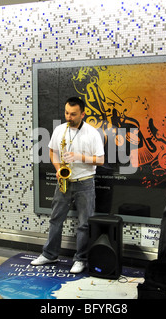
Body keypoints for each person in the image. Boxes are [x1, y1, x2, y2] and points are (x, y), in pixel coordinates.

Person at [31, 97, 105, 273]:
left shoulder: (92, 133)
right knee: (56, 219)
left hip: (85, 181)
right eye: (66, 113)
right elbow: (52, 151)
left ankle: (81, 259)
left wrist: (79, 157)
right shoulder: (59, 130)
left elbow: (101, 160)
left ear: (83, 114)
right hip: (64, 180)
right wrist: (58, 169)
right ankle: (50, 255)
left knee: (84, 223)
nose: (69, 117)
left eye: (73, 114)